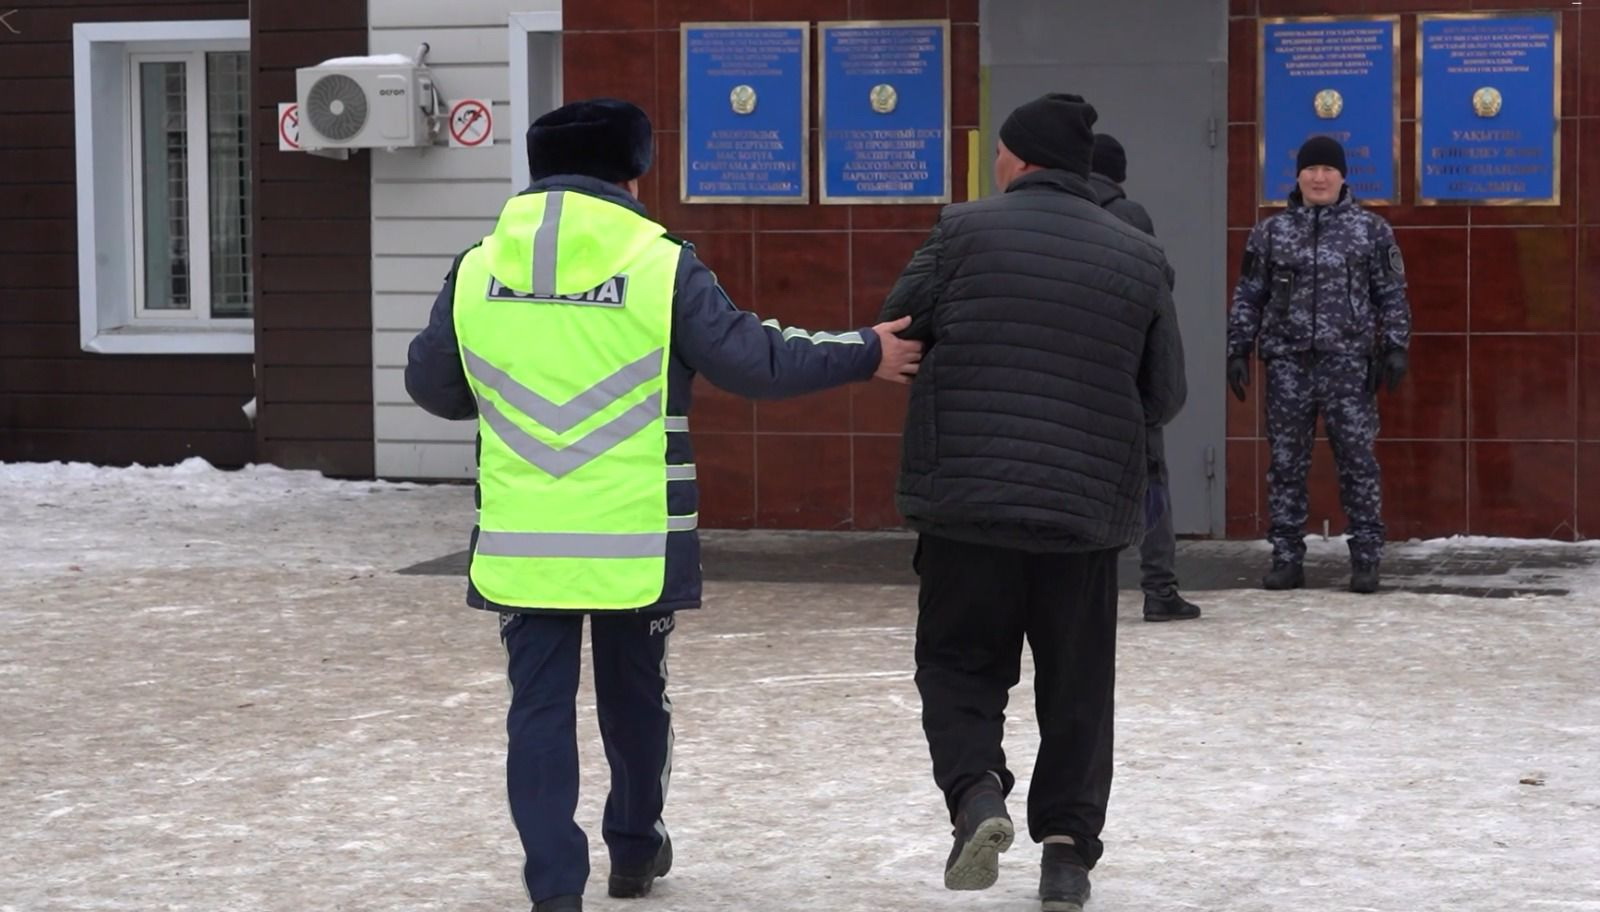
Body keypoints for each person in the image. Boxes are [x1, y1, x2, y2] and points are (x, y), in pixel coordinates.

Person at [404, 98, 922, 912]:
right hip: (634, 539)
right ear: (634, 171)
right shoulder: (659, 262)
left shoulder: (477, 265)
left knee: (536, 710)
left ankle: (554, 892)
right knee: (635, 696)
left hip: (523, 538)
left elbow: (432, 386)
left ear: (538, 170)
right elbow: (755, 362)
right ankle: (635, 850)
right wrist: (867, 351)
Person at [879, 93, 1187, 912]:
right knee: (1077, 684)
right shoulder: (1139, 254)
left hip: (966, 500)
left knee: (958, 663)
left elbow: (897, 328)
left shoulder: (960, 230)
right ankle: (1066, 855)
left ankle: (977, 794)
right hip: (1082, 515)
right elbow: (1165, 393)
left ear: (1015, 159)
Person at [1227, 135, 1410, 594]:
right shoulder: (1270, 233)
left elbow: (1390, 294)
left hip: (1349, 365)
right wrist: (1237, 348)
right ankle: (1287, 558)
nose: (1320, 177)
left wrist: (1395, 346)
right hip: (1288, 364)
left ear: (1343, 175)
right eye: (1311, 169)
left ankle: (1366, 559)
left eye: (1328, 169)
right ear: (1299, 176)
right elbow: (1250, 294)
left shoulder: (1371, 231)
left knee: (1357, 462)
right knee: (1286, 465)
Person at [1089, 132, 1201, 623]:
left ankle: (1087, 589)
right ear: (1120, 175)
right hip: (1127, 378)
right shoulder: (1130, 217)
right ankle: (1159, 588)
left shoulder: (1058, 210)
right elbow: (1158, 299)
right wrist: (1163, 389)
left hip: (1076, 378)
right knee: (1149, 480)